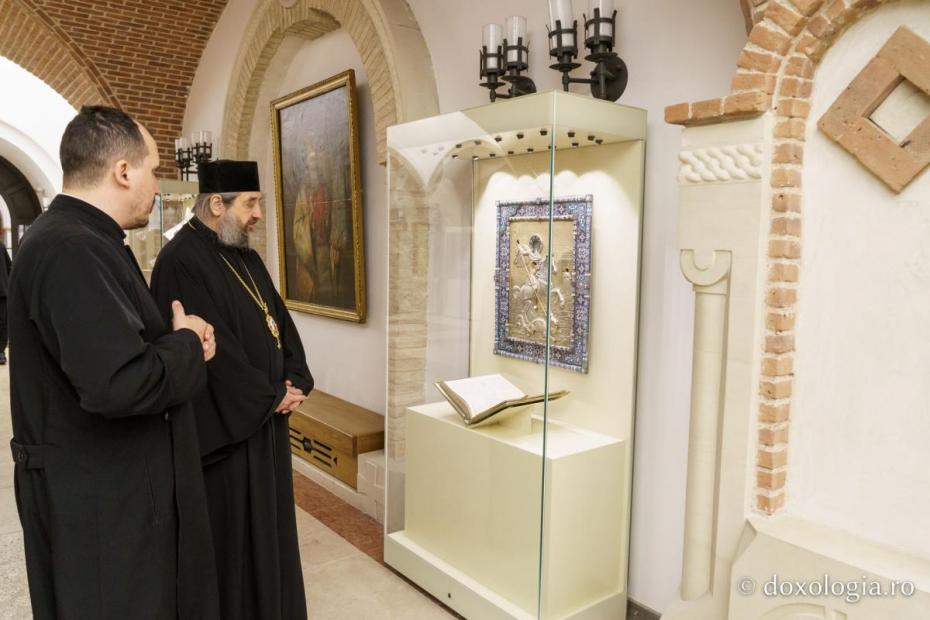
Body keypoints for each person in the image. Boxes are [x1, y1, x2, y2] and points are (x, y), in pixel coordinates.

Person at [7, 105, 220, 619]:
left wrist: (176, 342)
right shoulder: (72, 248)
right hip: (101, 504)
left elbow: (109, 350)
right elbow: (118, 383)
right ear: (123, 171)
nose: (158, 186)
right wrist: (186, 342)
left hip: (103, 489)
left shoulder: (82, 238)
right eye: (153, 170)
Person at [151, 159, 314, 620]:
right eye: (251, 203)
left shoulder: (245, 255)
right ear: (217, 205)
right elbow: (210, 351)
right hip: (226, 433)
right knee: (235, 543)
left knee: (271, 532)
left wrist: (295, 376)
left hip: (265, 423)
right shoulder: (181, 260)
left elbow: (279, 322)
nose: (258, 213)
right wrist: (269, 396)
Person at [0, 232, 11, 364]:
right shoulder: (1, 246)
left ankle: (1, 351)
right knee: (2, 322)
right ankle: (1, 351)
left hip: (2, 291)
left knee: (2, 322)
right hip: (2, 291)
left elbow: (9, 267)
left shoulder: (1, 246)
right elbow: (10, 267)